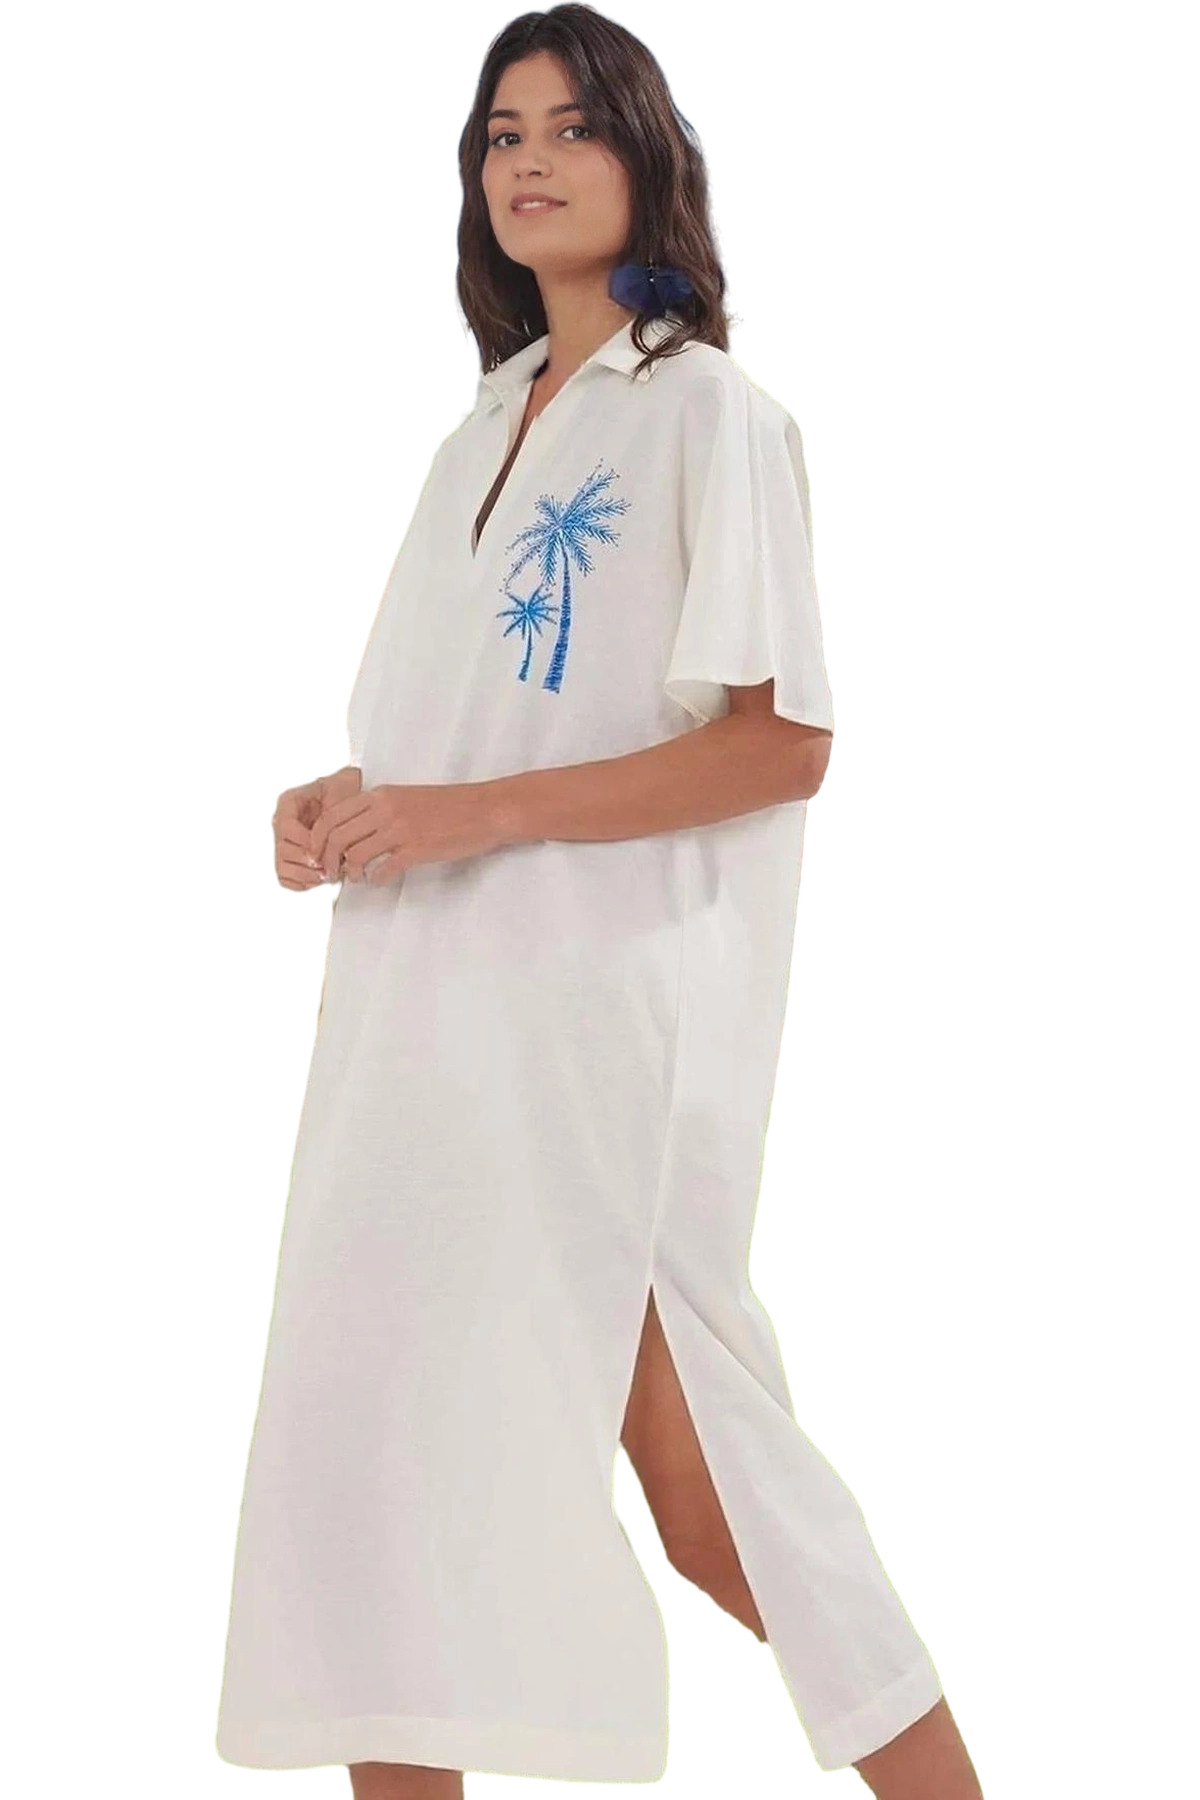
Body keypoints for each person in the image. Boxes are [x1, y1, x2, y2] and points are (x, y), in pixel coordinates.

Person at [216, 9, 985, 1799]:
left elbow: (782, 740)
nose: (532, 160)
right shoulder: (482, 430)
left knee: (713, 1492)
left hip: (588, 1041)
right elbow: (472, 731)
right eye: (503, 134)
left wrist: (467, 813)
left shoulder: (709, 413)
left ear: (649, 154)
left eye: (573, 126)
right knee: (382, 1479)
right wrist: (347, 802)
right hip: (412, 1035)